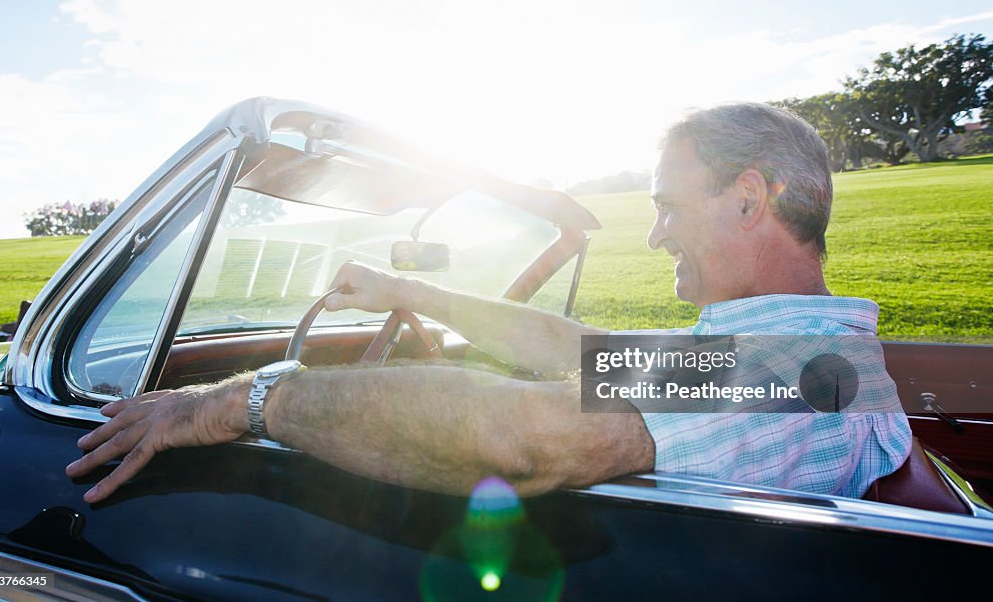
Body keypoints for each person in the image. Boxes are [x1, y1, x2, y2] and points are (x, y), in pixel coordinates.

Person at [66, 102, 911, 504]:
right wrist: (410, 292)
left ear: (748, 198)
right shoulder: (807, 355)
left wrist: (243, 400)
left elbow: (523, 439)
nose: (656, 236)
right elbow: (580, 348)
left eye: (666, 204)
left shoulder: (795, 371)